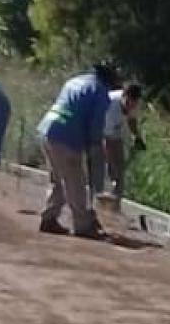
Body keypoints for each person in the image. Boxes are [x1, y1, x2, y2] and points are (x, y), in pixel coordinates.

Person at [36, 62, 118, 239]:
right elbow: (95, 125)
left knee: (58, 179)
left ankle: (49, 218)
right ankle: (83, 224)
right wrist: (94, 146)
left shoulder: (76, 80)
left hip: (47, 130)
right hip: (66, 136)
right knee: (76, 182)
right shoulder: (100, 91)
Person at [95, 82, 146, 206]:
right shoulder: (111, 104)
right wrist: (111, 162)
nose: (130, 107)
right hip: (98, 130)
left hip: (114, 133)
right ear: (123, 96)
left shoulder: (135, 104)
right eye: (128, 103)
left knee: (120, 171)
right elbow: (106, 139)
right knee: (110, 168)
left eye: (133, 104)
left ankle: (115, 203)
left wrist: (137, 137)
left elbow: (132, 120)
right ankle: (100, 197)